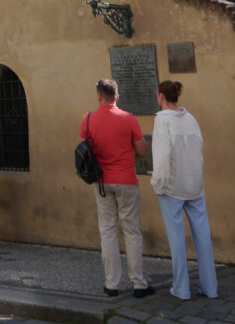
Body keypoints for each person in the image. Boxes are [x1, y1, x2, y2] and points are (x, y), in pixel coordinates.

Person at [80, 79, 154, 298]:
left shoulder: (88, 119)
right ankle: (138, 283)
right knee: (132, 231)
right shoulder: (128, 119)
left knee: (108, 231)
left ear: (98, 96)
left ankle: (111, 283)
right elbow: (142, 150)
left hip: (101, 182)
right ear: (117, 96)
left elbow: (84, 149)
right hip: (126, 180)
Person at [151, 80, 217, 300]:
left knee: (176, 238)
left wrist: (158, 184)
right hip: (194, 184)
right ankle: (210, 287)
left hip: (172, 186)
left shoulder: (162, 120)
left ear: (161, 96)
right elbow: (199, 147)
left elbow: (161, 156)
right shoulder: (191, 118)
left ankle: (181, 288)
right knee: (203, 236)